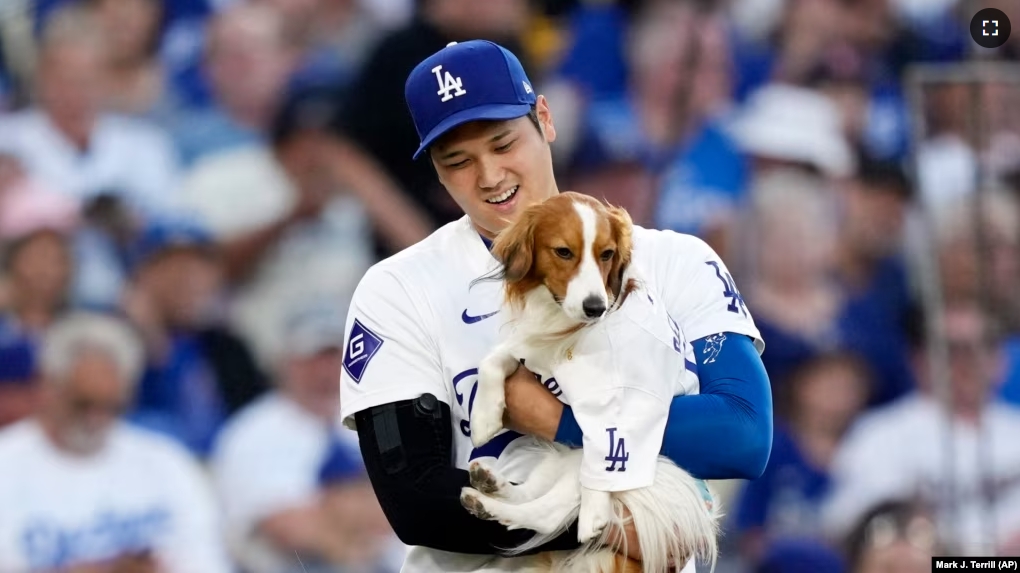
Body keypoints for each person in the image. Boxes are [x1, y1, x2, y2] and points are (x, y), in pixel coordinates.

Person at [338, 40, 773, 571]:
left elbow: (744, 433)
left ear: (544, 119)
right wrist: (601, 527)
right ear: (435, 168)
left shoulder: (675, 260)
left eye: (503, 144)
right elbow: (415, 499)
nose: (490, 176)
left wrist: (560, 421)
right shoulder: (398, 288)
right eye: (459, 161)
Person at [0, 311, 232, 572]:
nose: (96, 419)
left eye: (111, 406)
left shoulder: (165, 461)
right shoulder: (6, 466)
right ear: (47, 386)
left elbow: (207, 562)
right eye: (83, 403)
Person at [211, 301, 402, 573]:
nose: (324, 371)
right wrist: (366, 511)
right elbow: (289, 529)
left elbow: (413, 507)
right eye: (312, 359)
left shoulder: (378, 419)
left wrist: (334, 512)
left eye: (335, 356)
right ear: (282, 362)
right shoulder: (251, 433)